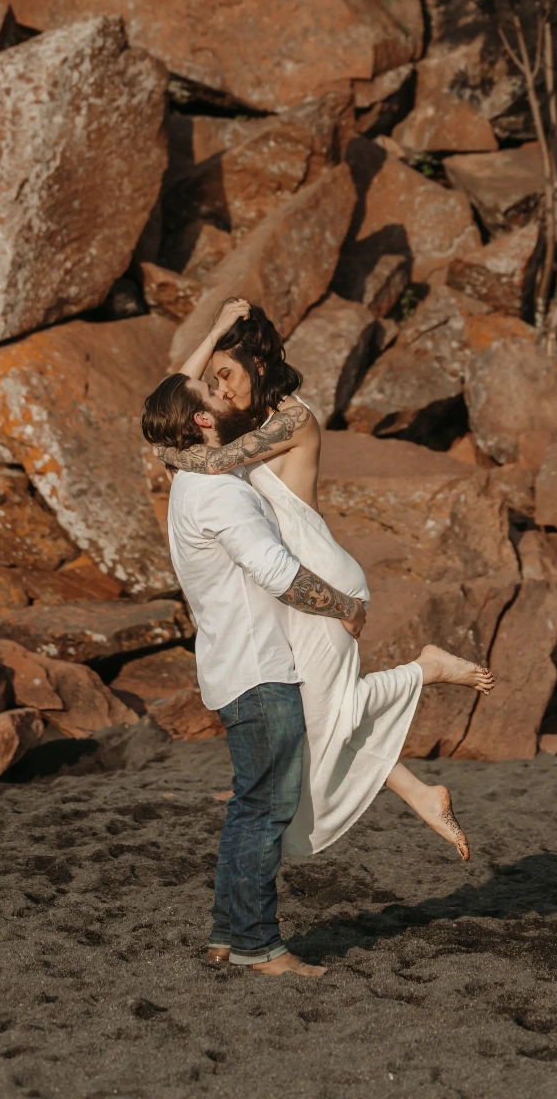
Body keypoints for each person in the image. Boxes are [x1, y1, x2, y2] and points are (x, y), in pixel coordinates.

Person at [149, 299, 494, 898]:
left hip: (321, 581)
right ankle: (418, 790)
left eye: (226, 376)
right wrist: (211, 334)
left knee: (324, 715)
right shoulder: (239, 421)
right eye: (214, 385)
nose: (220, 391)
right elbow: (181, 403)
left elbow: (197, 447)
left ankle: (425, 670)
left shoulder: (292, 420)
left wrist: (164, 444)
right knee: (317, 719)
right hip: (298, 586)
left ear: (258, 364)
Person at [143, 357, 366, 980]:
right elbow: (275, 571)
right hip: (260, 672)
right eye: (209, 390)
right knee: (266, 809)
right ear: (200, 419)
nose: (219, 389)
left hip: (231, 665)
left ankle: (226, 934)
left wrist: (219, 328)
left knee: (249, 805)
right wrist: (345, 607)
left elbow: (173, 408)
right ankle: (259, 946)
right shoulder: (218, 491)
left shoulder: (192, 480)